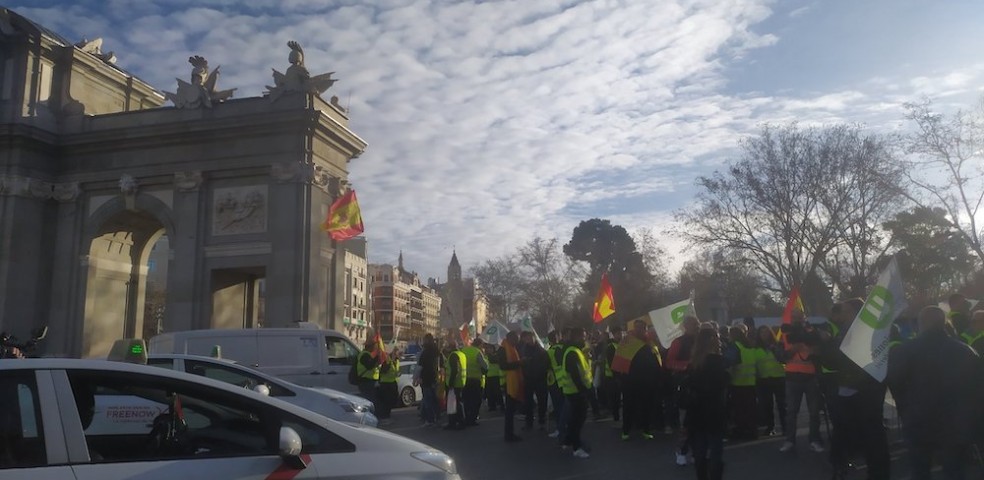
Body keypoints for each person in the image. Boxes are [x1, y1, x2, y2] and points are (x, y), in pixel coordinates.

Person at [888, 306, 984, 480]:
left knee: (920, 470)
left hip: (918, 420)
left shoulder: (904, 350)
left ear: (921, 324)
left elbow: (895, 383)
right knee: (954, 470)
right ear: (944, 323)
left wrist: (906, 409)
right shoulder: (965, 351)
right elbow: (977, 388)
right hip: (954, 422)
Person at [819, 298, 890, 480]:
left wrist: (826, 344)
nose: (840, 314)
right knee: (873, 433)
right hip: (870, 388)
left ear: (853, 312)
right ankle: (878, 472)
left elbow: (834, 360)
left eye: (844, 311)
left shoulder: (850, 333)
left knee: (849, 430)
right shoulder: (874, 330)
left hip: (855, 389)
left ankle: (842, 465)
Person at [682, 327, 730, 480]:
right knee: (716, 450)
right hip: (715, 410)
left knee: (700, 451)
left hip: (697, 411)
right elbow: (722, 385)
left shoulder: (694, 363)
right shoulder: (719, 361)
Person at [619, 319, 660, 441]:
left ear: (645, 329)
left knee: (646, 406)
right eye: (636, 327)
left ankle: (646, 430)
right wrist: (621, 378)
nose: (638, 330)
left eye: (641, 328)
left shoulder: (650, 343)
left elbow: (656, 360)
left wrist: (656, 377)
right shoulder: (627, 342)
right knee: (628, 406)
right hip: (630, 380)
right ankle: (626, 431)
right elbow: (620, 360)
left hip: (647, 381)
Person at [562, 327, 592, 459]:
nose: (584, 339)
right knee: (578, 420)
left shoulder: (574, 351)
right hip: (576, 392)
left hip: (573, 391)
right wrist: (583, 390)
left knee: (574, 418)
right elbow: (575, 374)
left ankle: (568, 441)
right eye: (583, 337)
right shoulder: (572, 352)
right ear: (576, 337)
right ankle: (577, 447)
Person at [725, 326, 758, 441]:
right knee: (750, 409)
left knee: (739, 410)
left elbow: (728, 362)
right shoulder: (750, 346)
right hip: (751, 382)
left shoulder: (735, 346)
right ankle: (752, 432)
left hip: (738, 382)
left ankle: (741, 431)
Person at [755, 325, 786, 437]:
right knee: (767, 405)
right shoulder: (755, 348)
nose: (764, 334)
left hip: (779, 377)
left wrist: (775, 350)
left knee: (782, 404)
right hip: (764, 379)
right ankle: (770, 427)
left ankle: (785, 427)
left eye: (766, 332)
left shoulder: (778, 345)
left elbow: (784, 358)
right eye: (762, 332)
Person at [495, 331, 525, 442]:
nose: (517, 341)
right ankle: (509, 434)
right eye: (516, 338)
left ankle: (510, 433)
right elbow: (504, 366)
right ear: (510, 338)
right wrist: (519, 363)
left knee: (511, 411)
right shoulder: (503, 349)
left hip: (512, 381)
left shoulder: (511, 348)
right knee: (509, 411)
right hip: (508, 382)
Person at [520, 331, 550, 431]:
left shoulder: (541, 350)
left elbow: (545, 365)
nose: (528, 340)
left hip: (540, 379)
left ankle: (542, 421)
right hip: (528, 379)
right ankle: (529, 422)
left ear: (534, 338)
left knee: (542, 401)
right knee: (528, 402)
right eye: (526, 338)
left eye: (530, 338)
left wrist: (540, 373)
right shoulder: (523, 350)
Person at [459, 338, 488, 426]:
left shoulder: (464, 350)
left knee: (466, 400)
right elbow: (485, 366)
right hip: (475, 380)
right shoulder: (477, 352)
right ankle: (472, 419)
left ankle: (467, 417)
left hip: (464, 380)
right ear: (479, 345)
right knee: (476, 400)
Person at [547, 329, 568, 441]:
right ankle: (563, 427)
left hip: (554, 382)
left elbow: (546, 366)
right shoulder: (563, 349)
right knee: (563, 406)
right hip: (564, 381)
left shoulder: (551, 351)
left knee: (559, 407)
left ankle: (560, 429)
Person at [416, 334, 441, 426]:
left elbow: (420, 367)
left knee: (427, 400)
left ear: (426, 340)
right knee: (434, 399)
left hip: (426, 379)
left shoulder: (425, 352)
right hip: (435, 378)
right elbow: (440, 364)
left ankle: (429, 419)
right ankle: (437, 417)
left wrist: (417, 378)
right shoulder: (437, 351)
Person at [443, 343, 467, 430]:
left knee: (454, 404)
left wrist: (451, 383)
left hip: (454, 383)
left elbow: (455, 370)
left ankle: (457, 422)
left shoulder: (453, 355)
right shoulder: (462, 354)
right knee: (457, 403)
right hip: (461, 382)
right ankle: (457, 422)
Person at [355, 338, 381, 410]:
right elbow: (369, 365)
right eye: (373, 346)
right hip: (365, 381)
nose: (374, 348)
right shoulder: (365, 355)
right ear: (370, 347)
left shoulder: (366, 354)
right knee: (369, 400)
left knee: (369, 399)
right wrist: (376, 357)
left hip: (366, 380)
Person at [376, 347, 400, 425]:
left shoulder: (397, 361)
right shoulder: (388, 360)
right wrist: (390, 363)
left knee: (392, 400)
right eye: (397, 353)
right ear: (393, 353)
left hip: (392, 382)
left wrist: (397, 374)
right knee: (386, 401)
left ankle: (387, 416)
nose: (398, 354)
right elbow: (383, 371)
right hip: (385, 383)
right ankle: (384, 417)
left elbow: (395, 371)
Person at [604, 326, 623, 423]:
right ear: (614, 335)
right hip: (612, 377)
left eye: (621, 333)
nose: (620, 335)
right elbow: (612, 364)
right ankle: (616, 418)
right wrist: (617, 377)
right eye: (618, 334)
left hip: (621, 375)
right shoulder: (611, 347)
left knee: (619, 399)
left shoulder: (622, 345)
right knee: (615, 399)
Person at [484, 343, 504, 411]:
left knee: (498, 392)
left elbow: (493, 360)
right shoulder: (486, 356)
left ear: (493, 349)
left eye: (490, 348)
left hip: (496, 376)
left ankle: (501, 405)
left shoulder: (496, 356)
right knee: (490, 393)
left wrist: (489, 355)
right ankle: (492, 406)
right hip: (489, 376)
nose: (488, 349)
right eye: (487, 348)